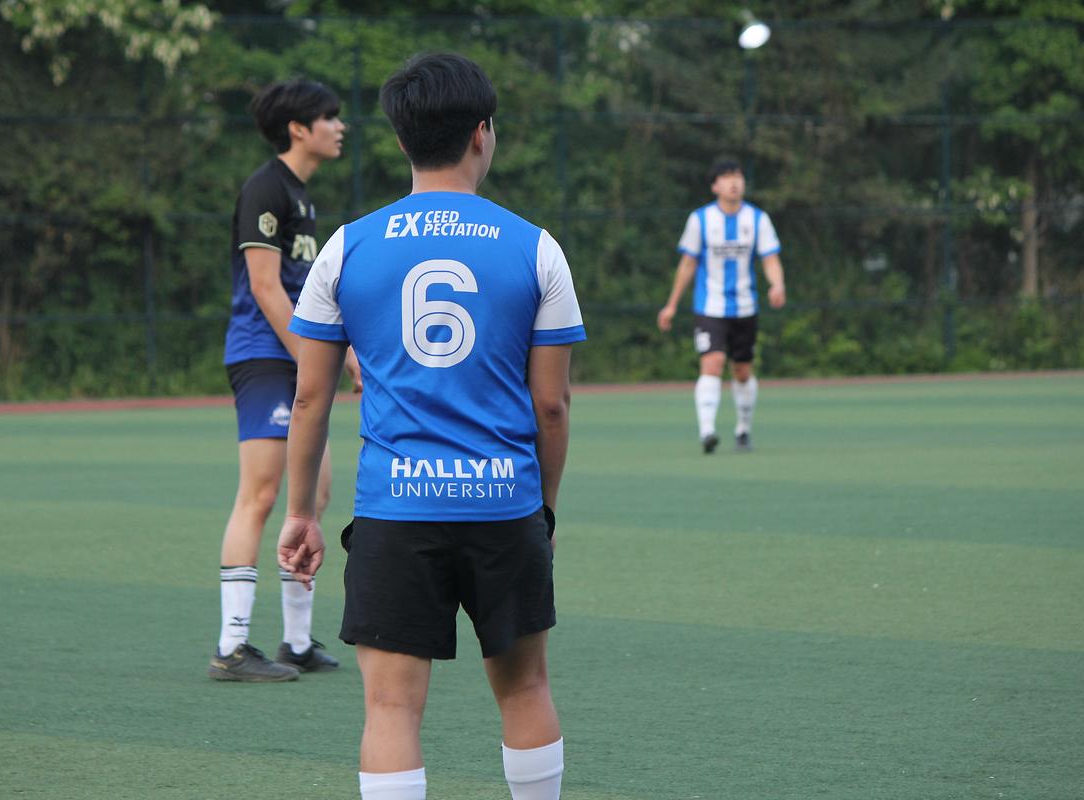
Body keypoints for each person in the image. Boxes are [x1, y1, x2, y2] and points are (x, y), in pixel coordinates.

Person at [279, 53, 585, 800]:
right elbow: (551, 407)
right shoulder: (536, 247)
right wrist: (541, 511)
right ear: (483, 132)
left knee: (390, 709)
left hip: (395, 510)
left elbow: (311, 399)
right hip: (504, 504)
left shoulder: (346, 247)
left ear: (400, 139)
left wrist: (301, 512)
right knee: (525, 690)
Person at [208, 79, 360, 683]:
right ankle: (231, 647)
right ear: (299, 129)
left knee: (314, 493)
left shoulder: (300, 195)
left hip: (295, 358)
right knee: (262, 494)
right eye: (330, 117)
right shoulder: (266, 187)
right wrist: (313, 357)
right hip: (265, 356)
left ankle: (296, 642)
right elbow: (266, 287)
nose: (339, 126)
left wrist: (341, 354)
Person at [656, 156, 786, 454]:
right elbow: (688, 264)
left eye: (738, 176)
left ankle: (743, 430)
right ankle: (707, 431)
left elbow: (770, 259)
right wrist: (671, 305)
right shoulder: (700, 220)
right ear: (715, 186)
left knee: (742, 371)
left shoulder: (757, 219)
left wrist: (777, 284)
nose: (734, 182)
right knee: (712, 362)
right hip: (710, 307)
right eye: (726, 177)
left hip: (745, 307)